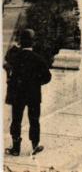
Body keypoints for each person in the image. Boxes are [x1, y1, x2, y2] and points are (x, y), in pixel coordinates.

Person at [5, 29, 51, 157]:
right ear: (33, 42)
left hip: (17, 94)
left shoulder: (15, 57)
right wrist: (37, 83)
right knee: (34, 120)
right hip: (33, 95)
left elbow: (7, 58)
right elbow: (47, 77)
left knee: (16, 120)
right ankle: (35, 146)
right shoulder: (38, 59)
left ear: (21, 42)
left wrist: (16, 47)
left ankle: (15, 148)